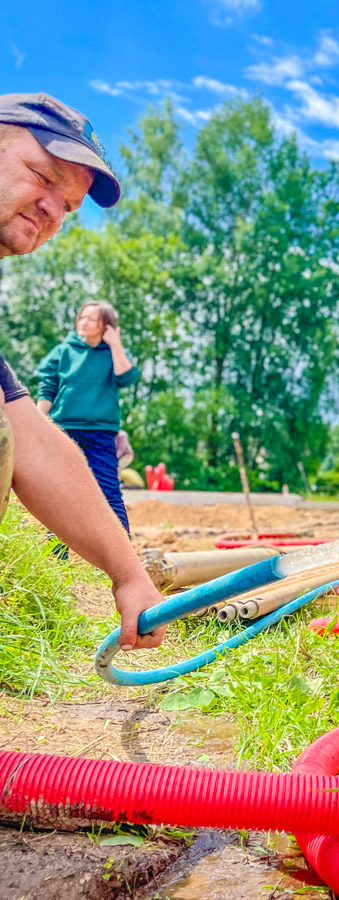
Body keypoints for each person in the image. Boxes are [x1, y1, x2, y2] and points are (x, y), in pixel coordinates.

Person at [0, 92, 164, 651]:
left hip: (94, 434)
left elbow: (28, 438)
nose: (52, 209)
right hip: (69, 424)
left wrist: (129, 573)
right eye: (42, 176)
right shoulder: (66, 352)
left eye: (68, 206)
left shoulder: (104, 354)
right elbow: (35, 407)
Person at [37, 301, 139, 534]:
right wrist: (37, 422)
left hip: (100, 434)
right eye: (82, 317)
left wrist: (115, 343)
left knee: (109, 492)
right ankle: (55, 561)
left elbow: (127, 378)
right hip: (63, 430)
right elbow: (47, 387)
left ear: (106, 325)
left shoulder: (114, 352)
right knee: (58, 493)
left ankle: (123, 561)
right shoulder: (64, 350)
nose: (83, 322)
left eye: (91, 319)